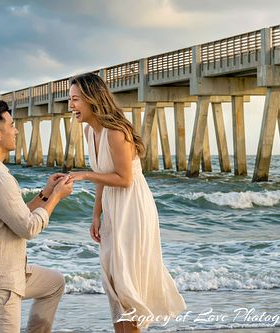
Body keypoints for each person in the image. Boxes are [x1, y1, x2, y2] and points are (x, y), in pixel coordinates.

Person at [67, 73, 186, 332]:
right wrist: (96, 214)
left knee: (126, 284)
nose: (71, 106)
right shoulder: (90, 132)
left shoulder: (116, 132)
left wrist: (84, 174)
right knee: (112, 281)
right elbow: (103, 173)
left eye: (75, 99)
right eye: (70, 99)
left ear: (91, 99)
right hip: (112, 207)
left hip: (132, 209)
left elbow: (124, 178)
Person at [0, 101, 74, 333]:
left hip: (6, 272)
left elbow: (15, 215)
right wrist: (57, 198)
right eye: (12, 125)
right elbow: (29, 228)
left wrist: (45, 194)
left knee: (54, 283)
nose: (16, 130)